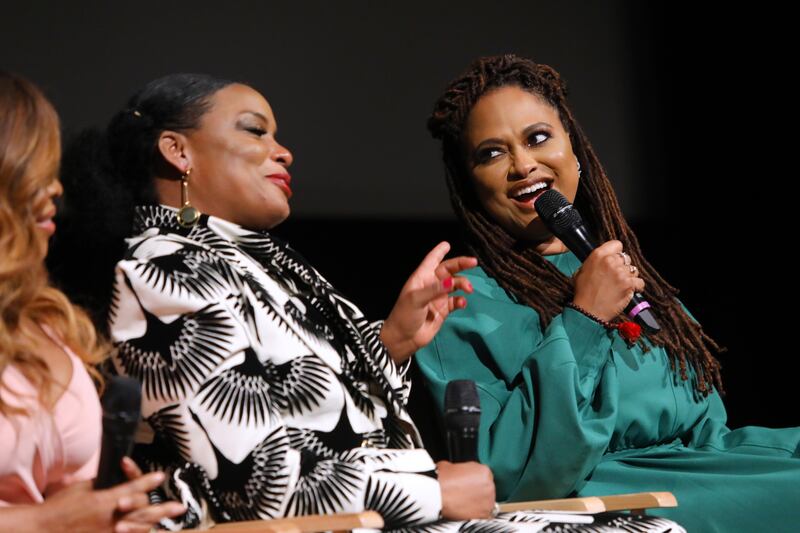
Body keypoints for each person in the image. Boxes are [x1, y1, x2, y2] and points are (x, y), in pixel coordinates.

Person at [49, 73, 683, 532]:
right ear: (177, 150)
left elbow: (321, 414)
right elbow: (260, 485)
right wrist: (432, 491)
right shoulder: (162, 272)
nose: (283, 150)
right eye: (255, 131)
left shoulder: (256, 263)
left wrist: (392, 342)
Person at [416, 53, 800, 532]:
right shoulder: (460, 307)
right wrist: (583, 318)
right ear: (471, 186)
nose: (523, 164)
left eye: (538, 138)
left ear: (573, 149)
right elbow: (502, 477)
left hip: (700, 478)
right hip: (599, 503)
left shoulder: (622, 272)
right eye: (491, 154)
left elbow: (705, 433)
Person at [0, 72, 185, 532]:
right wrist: (45, 522)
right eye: (37, 165)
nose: (57, 187)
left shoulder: (44, 325)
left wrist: (116, 513)